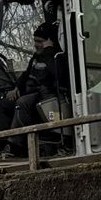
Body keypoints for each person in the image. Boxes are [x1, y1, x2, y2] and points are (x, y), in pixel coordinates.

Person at [10, 14, 68, 152]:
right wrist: (16, 87)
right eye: (35, 40)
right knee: (2, 104)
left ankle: (15, 145)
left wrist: (48, 51)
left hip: (46, 95)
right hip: (30, 91)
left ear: (50, 41)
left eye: (40, 41)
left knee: (22, 103)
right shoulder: (36, 56)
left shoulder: (57, 57)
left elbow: (58, 75)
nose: (36, 44)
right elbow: (26, 74)